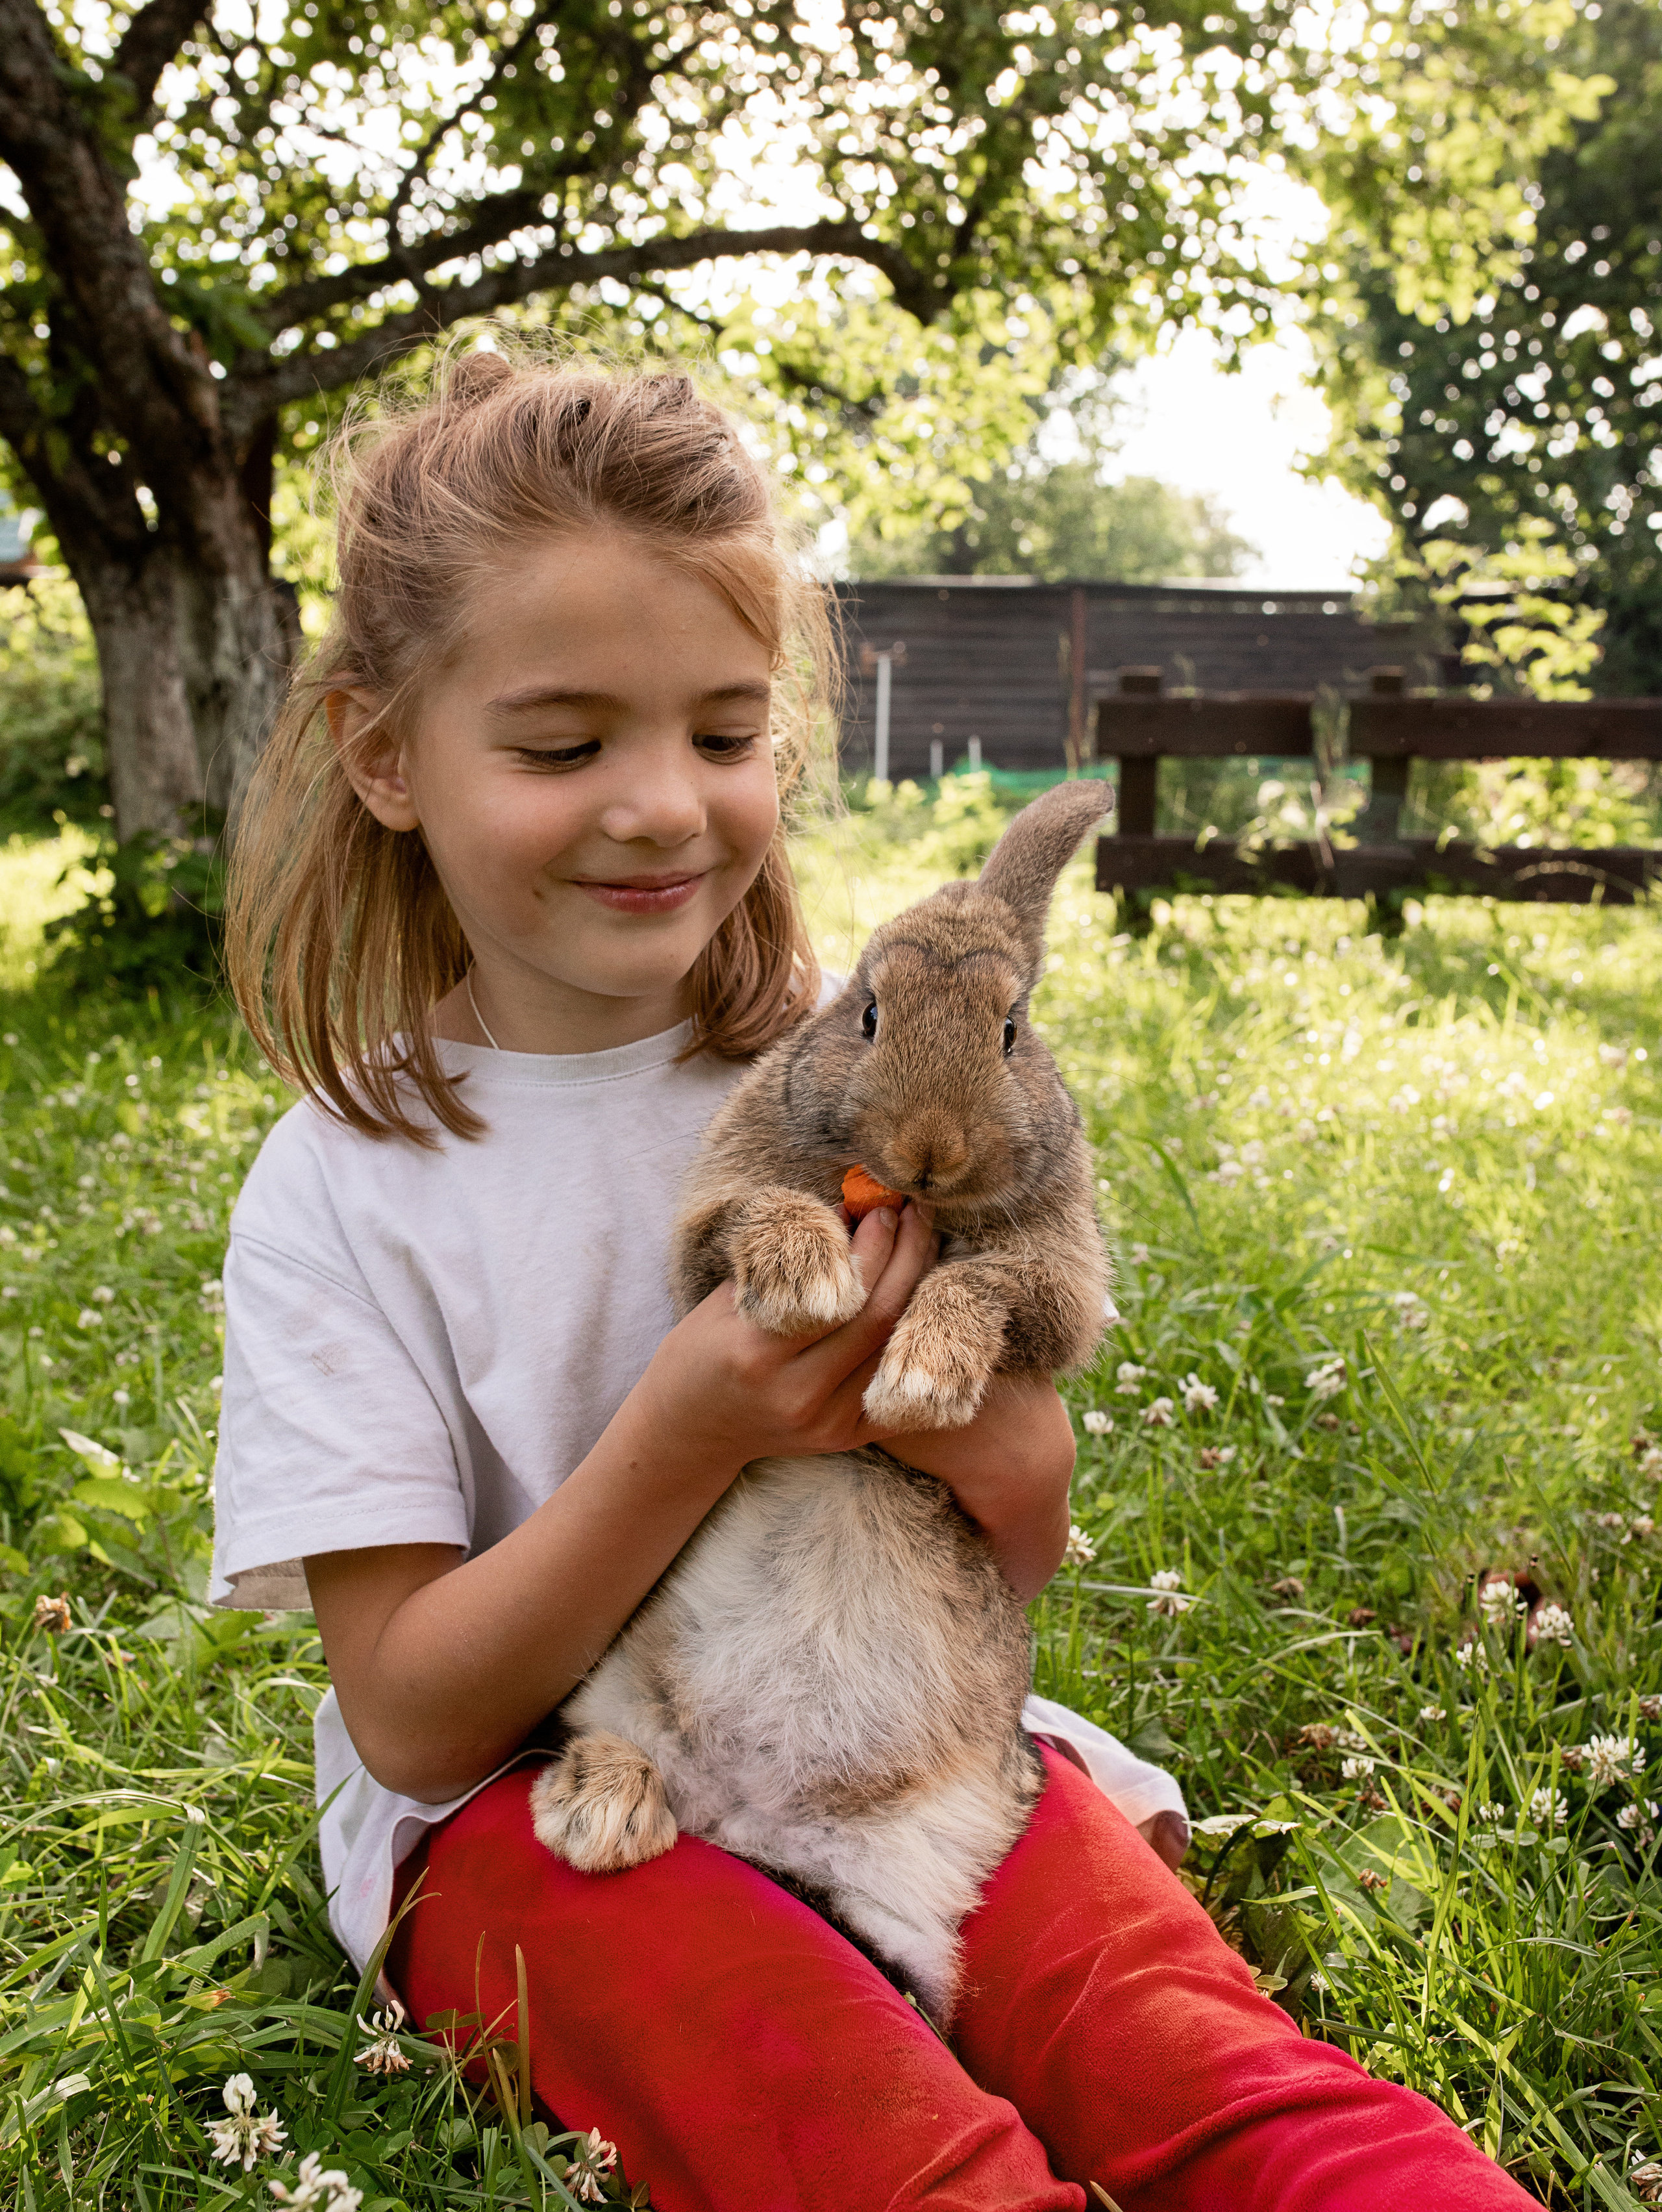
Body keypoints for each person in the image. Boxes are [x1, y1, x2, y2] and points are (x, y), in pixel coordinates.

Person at [213, 345, 1534, 2211]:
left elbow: (1017, 1524)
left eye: (727, 735)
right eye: (564, 744)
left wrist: (986, 1415)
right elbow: (417, 1716)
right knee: (844, 2122)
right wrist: (683, 1429)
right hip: (552, 1806)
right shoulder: (348, 1187)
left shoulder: (853, 1061)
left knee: (1183, 2041)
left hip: (911, 1734)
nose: (665, 806)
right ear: (383, 754)